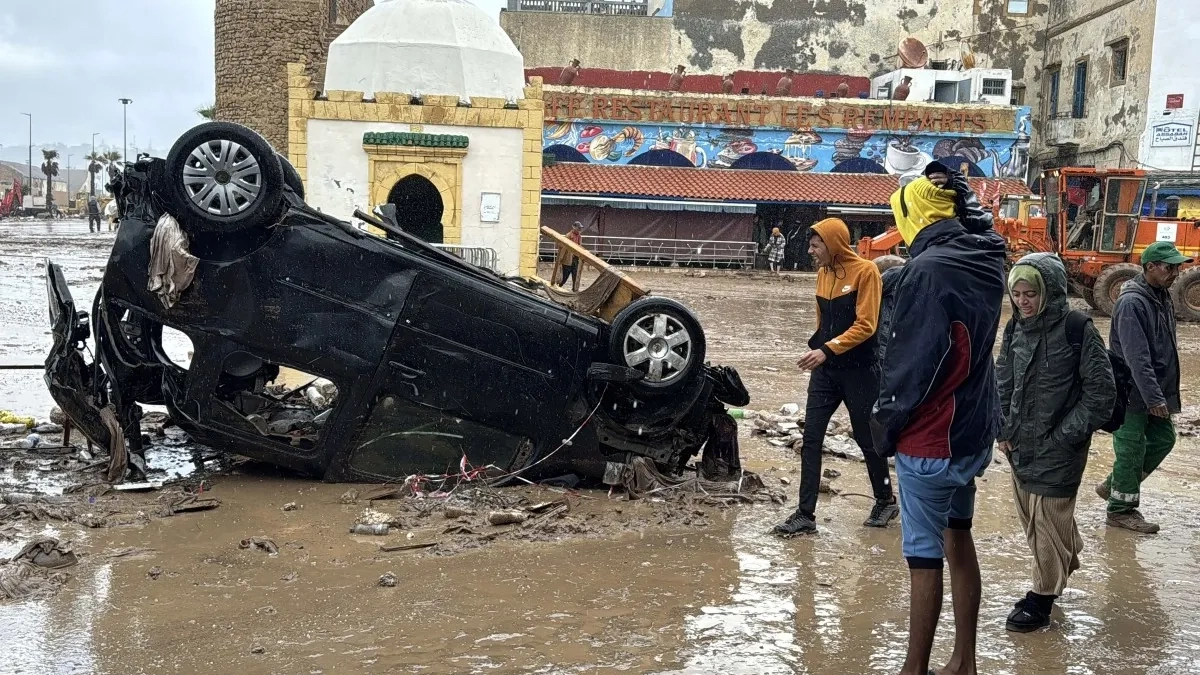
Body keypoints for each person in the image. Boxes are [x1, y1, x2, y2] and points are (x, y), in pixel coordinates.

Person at [871, 174, 1007, 675]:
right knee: (958, 536)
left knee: (923, 558)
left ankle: (914, 669)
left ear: (914, 217)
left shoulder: (926, 271)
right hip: (973, 431)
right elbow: (987, 227)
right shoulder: (988, 256)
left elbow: (911, 367)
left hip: (932, 438)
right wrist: (961, 192)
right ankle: (964, 659)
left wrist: (884, 427)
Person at [996, 253, 1116, 632]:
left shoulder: (1077, 328)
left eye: (1030, 293)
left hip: (1060, 447)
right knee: (1032, 521)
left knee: (1046, 521)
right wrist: (1002, 430)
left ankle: (1041, 598)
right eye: (1016, 293)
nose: (1023, 301)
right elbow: (1002, 380)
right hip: (1019, 445)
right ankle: (1067, 553)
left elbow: (1101, 394)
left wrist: (1065, 437)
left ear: (1050, 290)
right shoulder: (1015, 328)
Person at [772, 217, 897, 537]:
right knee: (811, 438)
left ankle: (885, 500)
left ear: (834, 243)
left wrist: (827, 349)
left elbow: (867, 325)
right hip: (826, 372)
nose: (811, 250)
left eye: (816, 245)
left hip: (860, 371)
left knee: (866, 438)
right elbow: (823, 320)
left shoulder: (867, 272)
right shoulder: (822, 274)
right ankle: (804, 514)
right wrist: (818, 347)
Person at [1097, 241, 1190, 533]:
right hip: (1131, 392)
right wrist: (1153, 397)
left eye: (1177, 267)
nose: (1175, 273)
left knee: (1164, 439)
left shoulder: (1159, 296)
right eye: (1169, 267)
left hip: (1153, 390)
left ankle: (1114, 485)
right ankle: (1120, 510)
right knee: (1131, 449)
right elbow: (1136, 357)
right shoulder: (1132, 303)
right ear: (1150, 267)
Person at [560, 221, 584, 287]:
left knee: (575, 276)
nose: (580, 229)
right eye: (578, 228)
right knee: (565, 276)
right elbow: (563, 248)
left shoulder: (579, 236)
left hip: (575, 259)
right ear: (574, 227)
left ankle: (574, 289)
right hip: (568, 259)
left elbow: (580, 247)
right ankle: (559, 286)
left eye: (580, 228)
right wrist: (560, 258)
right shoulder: (568, 236)